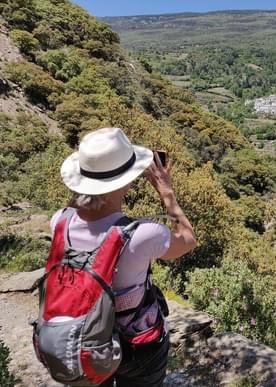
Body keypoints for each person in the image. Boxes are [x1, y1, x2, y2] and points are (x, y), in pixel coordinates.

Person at [53, 127, 197, 386]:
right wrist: (167, 192)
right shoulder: (142, 234)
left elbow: (78, 206)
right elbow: (188, 239)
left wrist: (90, 179)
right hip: (138, 346)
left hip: (82, 340)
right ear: (128, 180)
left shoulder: (59, 222)